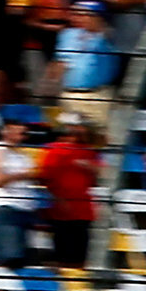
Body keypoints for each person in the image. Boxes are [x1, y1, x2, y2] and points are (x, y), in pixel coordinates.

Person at [39, 113, 101, 268]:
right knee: (64, 253)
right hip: (62, 209)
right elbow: (45, 176)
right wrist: (57, 198)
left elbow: (103, 174)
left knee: (81, 255)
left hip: (83, 210)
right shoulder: (55, 149)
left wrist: (90, 167)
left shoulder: (89, 152)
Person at [0, 118, 41, 269]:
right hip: (5, 207)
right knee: (8, 258)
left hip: (25, 208)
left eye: (24, 133)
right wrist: (22, 175)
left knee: (23, 261)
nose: (22, 137)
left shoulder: (23, 156)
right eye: (19, 132)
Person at [56, 2, 120, 131]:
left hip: (96, 95)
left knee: (100, 133)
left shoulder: (106, 36)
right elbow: (61, 62)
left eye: (82, 15)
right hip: (70, 94)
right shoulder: (67, 35)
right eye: (74, 14)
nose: (76, 18)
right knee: (73, 134)